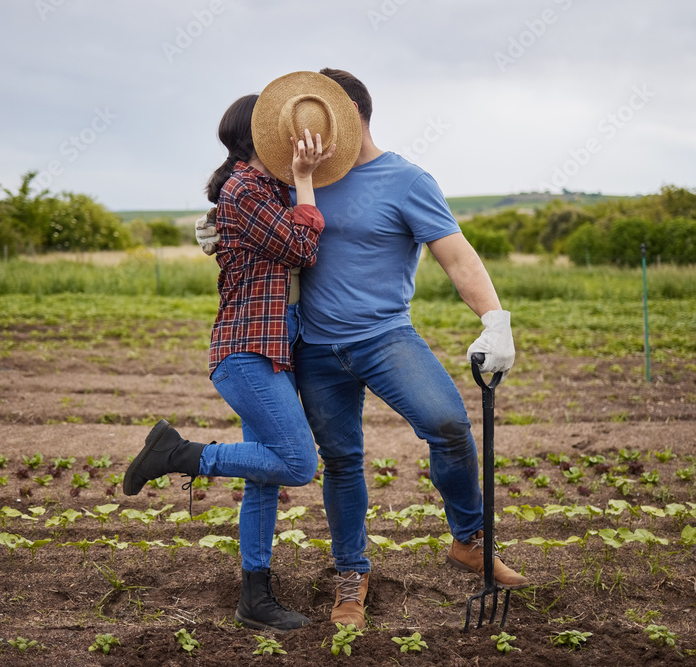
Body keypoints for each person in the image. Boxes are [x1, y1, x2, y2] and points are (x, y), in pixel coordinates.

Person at [196, 68, 530, 630]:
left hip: (385, 338)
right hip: (315, 349)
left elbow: (457, 255)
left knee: (447, 424)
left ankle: (469, 538)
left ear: (346, 117)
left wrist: (494, 319)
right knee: (341, 460)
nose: (299, 139)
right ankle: (351, 573)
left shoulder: (406, 180)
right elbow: (252, 216)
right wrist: (217, 226)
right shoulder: (298, 177)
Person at [124, 72, 359, 633]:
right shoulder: (245, 190)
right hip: (247, 353)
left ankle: (255, 597)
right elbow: (303, 246)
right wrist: (303, 181)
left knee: (265, 477)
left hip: (269, 353)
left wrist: (306, 176)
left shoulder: (260, 189)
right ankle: (181, 454)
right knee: (299, 463)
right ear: (257, 137)